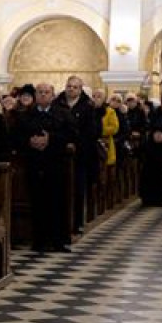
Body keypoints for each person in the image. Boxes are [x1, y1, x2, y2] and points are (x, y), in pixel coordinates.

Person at [13, 83, 75, 254]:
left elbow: (71, 133)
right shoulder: (26, 115)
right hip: (34, 163)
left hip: (56, 164)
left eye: (46, 92)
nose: (43, 95)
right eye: (39, 92)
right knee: (37, 202)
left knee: (57, 203)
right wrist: (29, 141)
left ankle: (58, 240)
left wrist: (51, 139)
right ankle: (38, 240)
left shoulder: (63, 114)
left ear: (53, 95)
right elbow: (16, 136)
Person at [55, 75, 99, 234]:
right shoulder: (57, 103)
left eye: (75, 87)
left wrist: (76, 144)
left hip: (81, 154)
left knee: (78, 189)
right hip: (60, 152)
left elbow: (91, 131)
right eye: (69, 86)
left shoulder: (87, 106)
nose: (71, 89)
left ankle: (77, 221)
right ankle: (61, 222)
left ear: (80, 89)